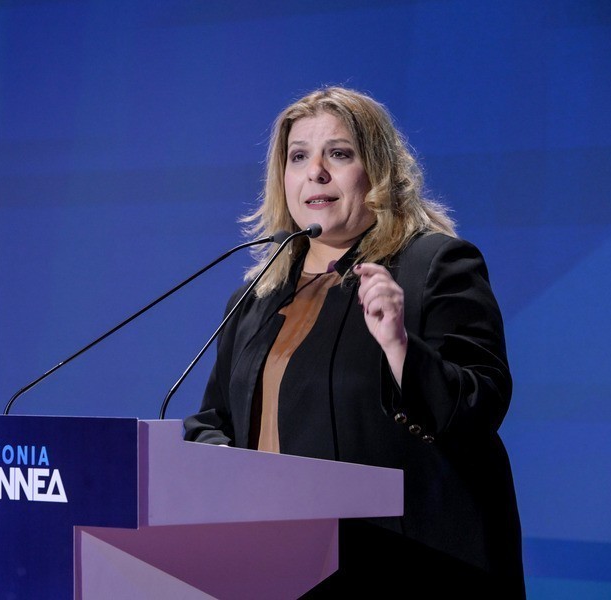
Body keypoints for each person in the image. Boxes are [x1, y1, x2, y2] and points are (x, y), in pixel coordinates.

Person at [184, 87, 524, 597]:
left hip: (409, 568)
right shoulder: (256, 298)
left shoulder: (432, 266)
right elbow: (213, 421)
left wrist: (400, 346)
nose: (315, 172)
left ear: (379, 172)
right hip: (281, 566)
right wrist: (223, 475)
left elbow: (481, 404)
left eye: (339, 154)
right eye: (299, 156)